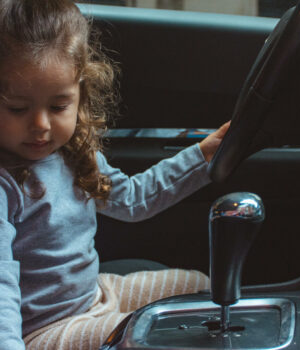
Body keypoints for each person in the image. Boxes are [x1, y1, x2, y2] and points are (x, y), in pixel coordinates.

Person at [0, 1, 230, 349]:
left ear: (81, 94)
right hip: (43, 331)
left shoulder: (73, 155)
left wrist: (203, 155)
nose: (41, 126)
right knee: (156, 334)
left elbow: (134, 199)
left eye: (59, 106)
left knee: (199, 286)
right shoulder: (5, 184)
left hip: (97, 294)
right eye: (18, 108)